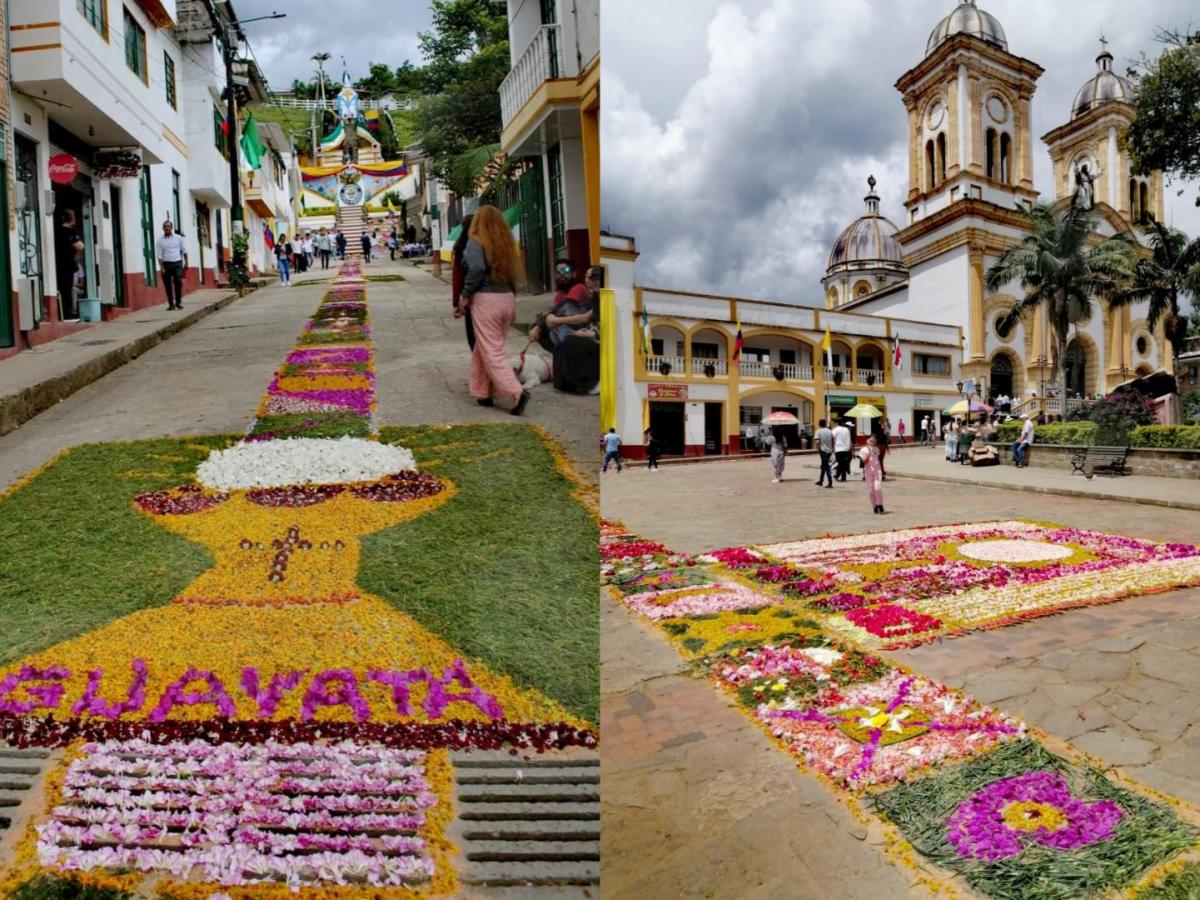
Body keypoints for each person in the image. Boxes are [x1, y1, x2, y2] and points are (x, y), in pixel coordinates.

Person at [457, 205, 530, 415]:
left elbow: (476, 269)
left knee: (492, 350)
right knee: (485, 348)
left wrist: (465, 296)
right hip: (507, 299)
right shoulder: (505, 245)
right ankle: (484, 392)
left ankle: (516, 392)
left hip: (486, 300)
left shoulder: (476, 241)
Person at [451, 214, 477, 350]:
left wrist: (458, 300)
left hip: (472, 298)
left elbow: (457, 276)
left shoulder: (462, 246)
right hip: (495, 296)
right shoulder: (489, 242)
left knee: (474, 340)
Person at [55, 209, 86, 319]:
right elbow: (80, 246)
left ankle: (59, 314)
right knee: (67, 290)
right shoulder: (71, 232)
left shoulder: (56, 230)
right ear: (72, 219)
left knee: (59, 288)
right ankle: (67, 315)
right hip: (67, 265)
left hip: (56, 265)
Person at [156, 219, 188, 310]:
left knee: (178, 281)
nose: (167, 228)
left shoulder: (178, 238)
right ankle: (171, 304)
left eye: (169, 226)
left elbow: (184, 251)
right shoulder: (160, 241)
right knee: (167, 285)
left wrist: (186, 263)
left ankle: (178, 302)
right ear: (163, 228)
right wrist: (161, 267)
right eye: (165, 226)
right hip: (166, 264)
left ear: (171, 228)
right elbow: (159, 255)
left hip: (177, 262)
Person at [863, 435, 885, 514]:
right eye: (871, 440)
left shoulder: (877, 449)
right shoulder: (863, 450)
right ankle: (874, 505)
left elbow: (877, 459)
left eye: (874, 441)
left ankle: (880, 504)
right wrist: (869, 452)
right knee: (871, 490)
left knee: (877, 488)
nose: (872, 442)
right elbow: (864, 462)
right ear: (867, 440)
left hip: (877, 471)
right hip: (868, 472)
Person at [814, 419, 834, 488]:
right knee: (823, 466)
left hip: (823, 451)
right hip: (829, 451)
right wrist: (832, 448)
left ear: (819, 424)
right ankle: (821, 480)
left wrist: (818, 449)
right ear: (825, 424)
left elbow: (817, 442)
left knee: (826, 467)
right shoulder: (830, 431)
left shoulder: (818, 431)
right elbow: (833, 440)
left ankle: (830, 482)